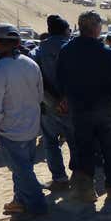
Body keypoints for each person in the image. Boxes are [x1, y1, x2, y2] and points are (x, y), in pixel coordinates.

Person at [57, 11, 111, 202]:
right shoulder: (106, 52)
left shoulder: (67, 51)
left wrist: (65, 97)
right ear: (96, 28)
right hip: (105, 110)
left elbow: (60, 80)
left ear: (80, 27)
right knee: (110, 149)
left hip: (79, 110)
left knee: (83, 149)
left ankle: (87, 190)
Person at [0, 23, 48, 221]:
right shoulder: (31, 64)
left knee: (22, 171)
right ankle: (19, 201)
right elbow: (39, 96)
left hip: (10, 131)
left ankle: (38, 206)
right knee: (22, 169)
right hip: (31, 126)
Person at [32, 15, 76, 191]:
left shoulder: (37, 51)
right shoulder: (73, 49)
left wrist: (52, 100)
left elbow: (36, 79)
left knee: (51, 142)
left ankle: (59, 178)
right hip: (72, 104)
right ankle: (80, 177)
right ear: (65, 30)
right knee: (75, 141)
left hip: (48, 105)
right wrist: (65, 98)